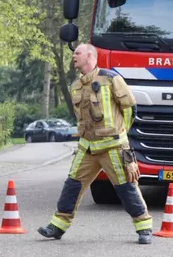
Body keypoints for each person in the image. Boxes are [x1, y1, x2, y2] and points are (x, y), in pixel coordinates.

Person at [37, 43, 154, 244]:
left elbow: (129, 108)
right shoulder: (75, 85)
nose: (74, 55)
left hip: (113, 146)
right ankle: (57, 226)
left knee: (126, 187)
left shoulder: (111, 79)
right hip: (87, 147)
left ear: (90, 56)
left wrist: (121, 136)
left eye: (78, 53)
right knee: (72, 185)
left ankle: (144, 227)